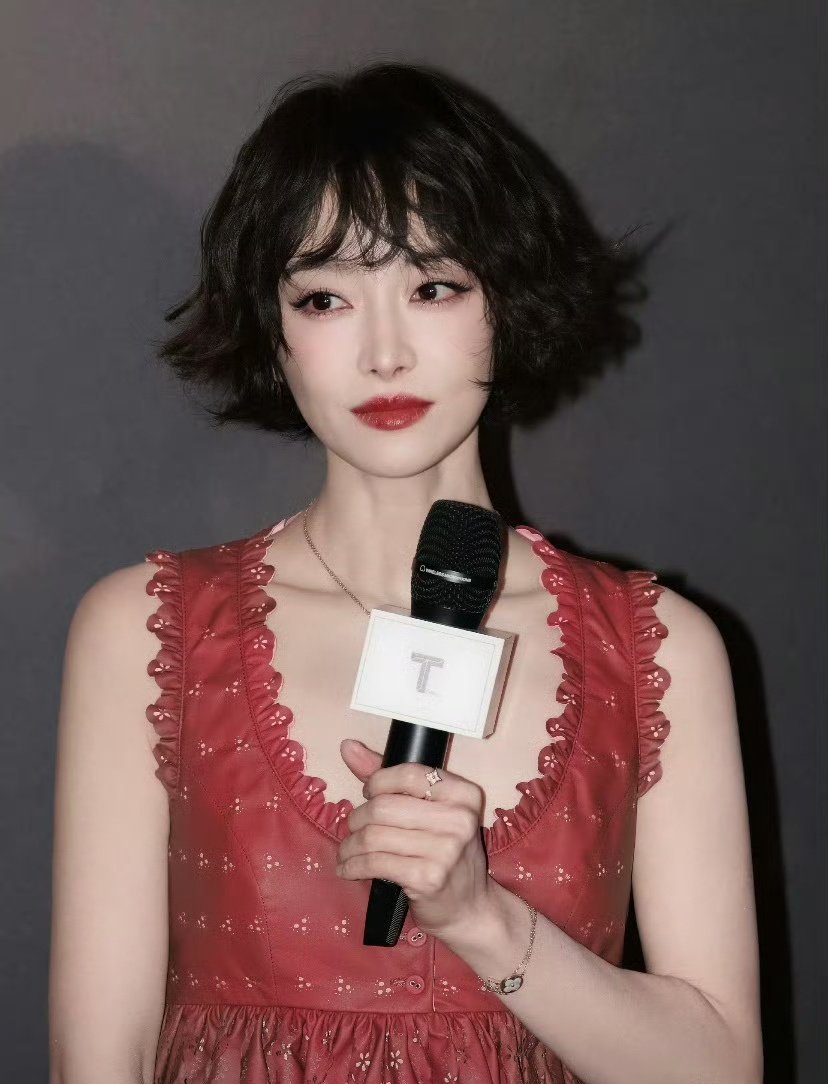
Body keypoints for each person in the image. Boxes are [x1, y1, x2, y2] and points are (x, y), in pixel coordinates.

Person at [48, 61, 762, 1084]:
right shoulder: (147, 631)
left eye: (433, 287)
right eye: (326, 298)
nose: (385, 353)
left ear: (504, 301)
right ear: (275, 334)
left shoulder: (658, 651)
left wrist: (484, 920)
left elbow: (721, 1067)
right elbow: (96, 1058)